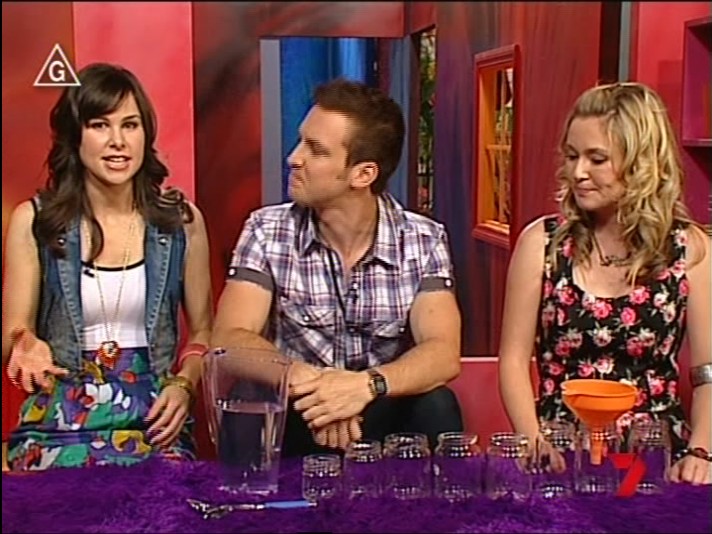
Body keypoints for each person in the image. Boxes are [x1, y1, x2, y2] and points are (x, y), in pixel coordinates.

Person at [211, 78, 463, 456]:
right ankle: (249, 493)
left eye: (315, 150)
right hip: (298, 408)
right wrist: (313, 383)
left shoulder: (422, 240)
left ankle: (431, 496)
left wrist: (363, 387)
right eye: (301, 142)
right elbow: (230, 336)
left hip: (379, 410)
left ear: (363, 174)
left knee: (437, 403)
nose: (294, 158)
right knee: (248, 395)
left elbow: (443, 352)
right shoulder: (266, 230)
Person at [2, 63, 213, 470]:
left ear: (145, 134)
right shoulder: (36, 221)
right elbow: (14, 334)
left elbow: (205, 331)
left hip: (153, 416)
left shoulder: (180, 222)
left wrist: (184, 385)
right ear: (75, 135)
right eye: (100, 125)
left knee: (162, 498)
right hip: (61, 414)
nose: (118, 141)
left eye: (130, 125)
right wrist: (26, 345)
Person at [498, 81, 711, 484]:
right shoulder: (541, 243)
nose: (578, 173)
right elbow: (512, 361)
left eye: (597, 159)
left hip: (655, 457)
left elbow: (708, 371)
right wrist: (533, 440)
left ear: (642, 163)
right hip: (561, 452)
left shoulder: (691, 249)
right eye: (572, 156)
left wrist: (702, 452)